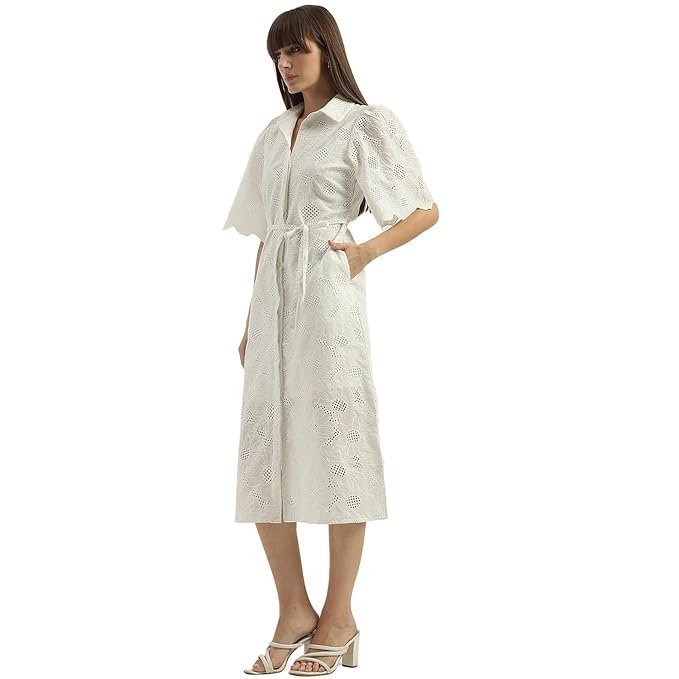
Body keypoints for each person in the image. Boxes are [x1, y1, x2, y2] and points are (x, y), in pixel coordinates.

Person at [223, 6, 439, 675]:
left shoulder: (362, 123)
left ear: (327, 51)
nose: (286, 64)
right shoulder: (273, 133)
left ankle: (339, 615)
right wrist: (250, 320)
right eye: (277, 55)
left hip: (326, 292)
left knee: (337, 443)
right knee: (265, 451)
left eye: (297, 50)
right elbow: (267, 231)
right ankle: (293, 608)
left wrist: (365, 251)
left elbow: (424, 209)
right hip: (273, 302)